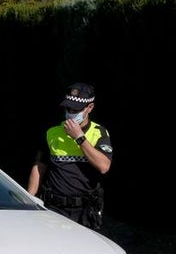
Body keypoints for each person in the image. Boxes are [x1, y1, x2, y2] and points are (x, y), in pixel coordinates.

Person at [27, 82, 113, 230]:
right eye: (68, 108)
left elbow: (104, 166)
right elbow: (40, 166)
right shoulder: (52, 132)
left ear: (89, 107)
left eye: (76, 109)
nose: (71, 112)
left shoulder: (99, 133)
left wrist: (79, 137)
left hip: (84, 210)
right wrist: (29, 198)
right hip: (55, 207)